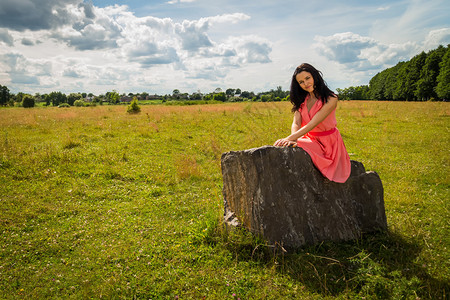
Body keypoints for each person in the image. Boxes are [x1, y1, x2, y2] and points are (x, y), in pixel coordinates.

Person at [274, 63, 351, 183]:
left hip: (328, 144)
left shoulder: (331, 99)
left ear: (315, 76)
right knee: (285, 146)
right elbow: (296, 122)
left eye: (307, 78)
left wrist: (291, 138)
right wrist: (293, 139)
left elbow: (313, 124)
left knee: (285, 144)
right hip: (310, 139)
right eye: (301, 82)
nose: (305, 83)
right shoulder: (302, 101)